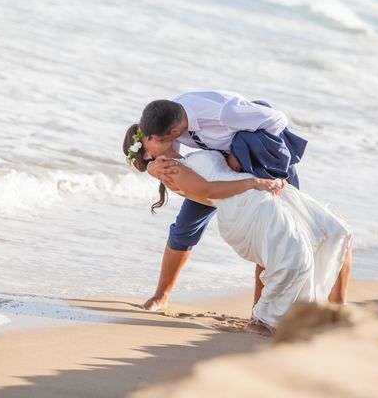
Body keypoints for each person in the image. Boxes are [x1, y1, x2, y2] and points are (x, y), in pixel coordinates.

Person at [123, 125, 353, 334]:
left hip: (261, 195)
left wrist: (262, 179)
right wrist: (253, 183)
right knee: (296, 260)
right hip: (250, 203)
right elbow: (209, 192)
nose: (162, 135)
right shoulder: (170, 170)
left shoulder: (185, 158)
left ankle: (325, 310)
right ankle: (262, 318)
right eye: (150, 137)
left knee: (335, 232)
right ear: (145, 152)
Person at [134, 91, 311, 312]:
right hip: (218, 166)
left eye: (158, 139)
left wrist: (239, 153)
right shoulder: (168, 114)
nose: (155, 144)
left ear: (174, 131)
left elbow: (277, 119)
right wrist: (152, 166)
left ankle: (259, 310)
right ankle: (161, 296)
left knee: (274, 229)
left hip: (263, 159)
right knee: (185, 228)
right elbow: (168, 151)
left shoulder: (222, 113)